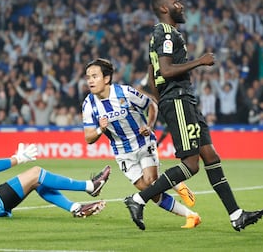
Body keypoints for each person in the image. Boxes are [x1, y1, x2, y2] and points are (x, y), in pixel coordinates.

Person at [123, 0, 263, 231]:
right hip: (178, 99)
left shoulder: (162, 35)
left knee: (210, 156)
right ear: (165, 9)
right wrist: (199, 61)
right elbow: (165, 71)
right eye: (176, 2)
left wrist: (160, 104)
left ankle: (236, 214)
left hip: (181, 100)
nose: (181, 5)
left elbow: (152, 72)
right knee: (191, 164)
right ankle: (138, 199)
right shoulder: (165, 33)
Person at [82, 58, 200, 229]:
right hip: (122, 152)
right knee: (150, 191)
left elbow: (151, 105)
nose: (90, 81)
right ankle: (191, 214)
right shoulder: (88, 105)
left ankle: (173, 183)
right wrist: (100, 129)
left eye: (94, 76)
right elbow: (88, 138)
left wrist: (149, 126)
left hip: (143, 142)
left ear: (106, 79)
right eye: (88, 77)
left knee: (151, 181)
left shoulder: (125, 92)